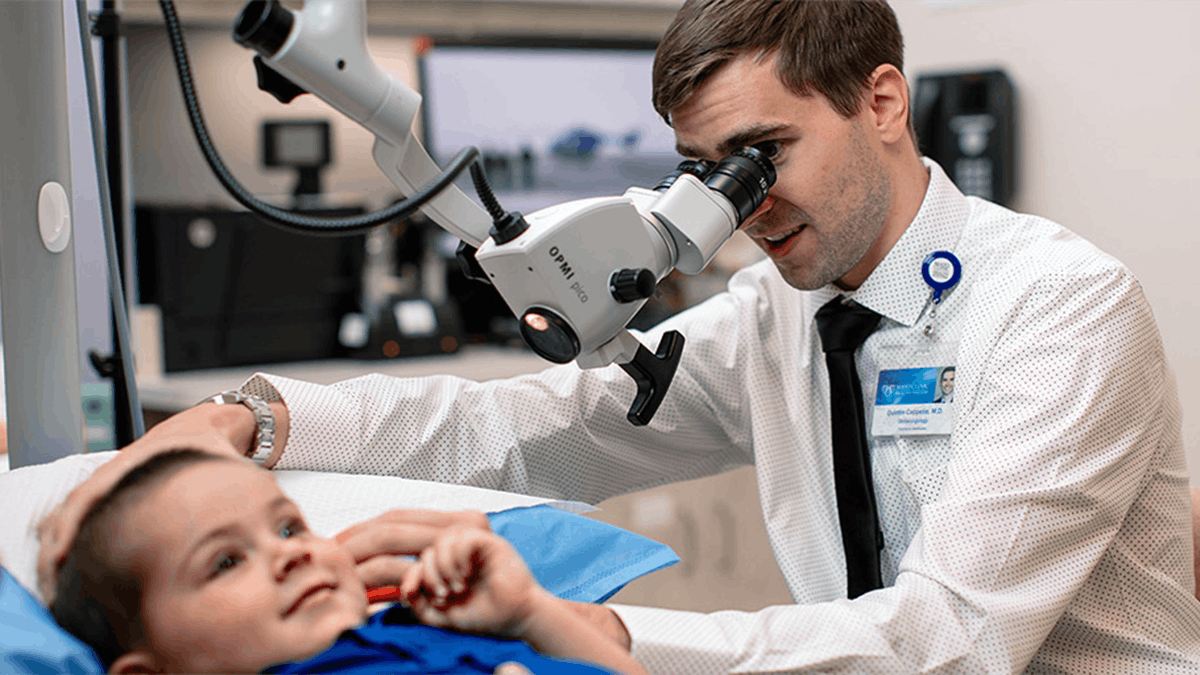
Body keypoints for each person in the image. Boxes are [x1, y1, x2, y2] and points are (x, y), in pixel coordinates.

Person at [41, 0, 1199, 672]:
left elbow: (947, 643)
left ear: (883, 103)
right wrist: (264, 419)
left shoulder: (1056, 308)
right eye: (706, 174)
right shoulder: (776, 314)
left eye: (762, 155)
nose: (739, 204)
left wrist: (585, 630)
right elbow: (530, 426)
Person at [49, 448, 645, 675]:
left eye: (288, 526)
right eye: (226, 562)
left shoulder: (419, 628)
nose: (289, 554)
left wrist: (527, 611)